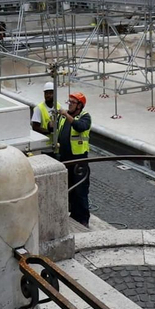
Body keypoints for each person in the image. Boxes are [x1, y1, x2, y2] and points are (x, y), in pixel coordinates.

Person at [56, 90, 92, 226]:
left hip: (79, 160)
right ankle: (73, 214)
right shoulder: (63, 117)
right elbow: (57, 130)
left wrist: (66, 115)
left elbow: (80, 127)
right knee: (69, 187)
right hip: (65, 158)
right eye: (69, 102)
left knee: (80, 189)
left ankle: (83, 219)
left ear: (79, 105)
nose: (69, 104)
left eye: (73, 102)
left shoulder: (85, 117)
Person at [30, 81, 61, 152]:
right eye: (46, 93)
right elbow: (35, 127)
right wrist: (49, 131)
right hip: (44, 147)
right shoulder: (39, 108)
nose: (48, 95)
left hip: (56, 144)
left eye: (50, 93)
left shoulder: (58, 106)